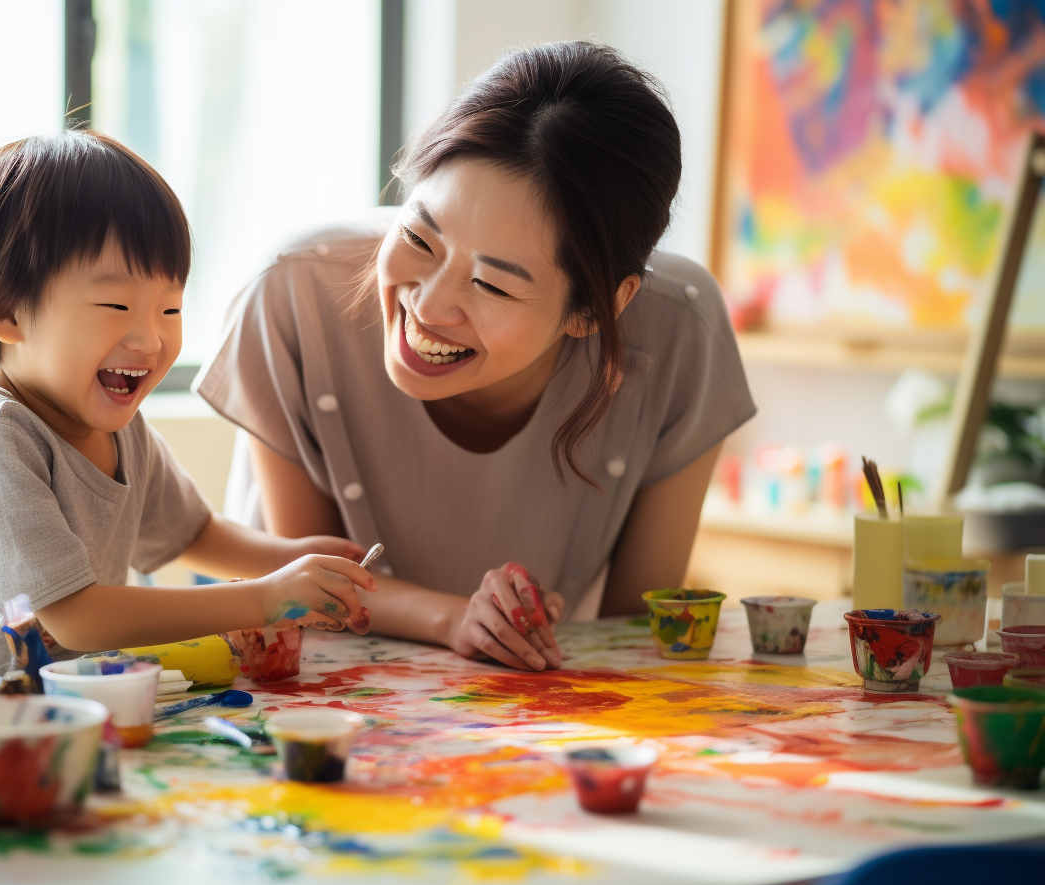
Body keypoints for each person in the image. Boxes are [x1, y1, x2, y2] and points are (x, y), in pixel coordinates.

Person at [197, 42, 755, 673]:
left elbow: (635, 638)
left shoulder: (679, 328)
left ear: (597, 310)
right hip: (312, 693)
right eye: (416, 237)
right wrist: (455, 617)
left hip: (520, 710)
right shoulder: (295, 292)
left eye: (493, 285)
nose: (430, 308)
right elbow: (315, 595)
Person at [0, 131, 375, 675]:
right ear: (7, 312)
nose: (151, 340)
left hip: (82, 702)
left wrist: (290, 558)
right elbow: (73, 616)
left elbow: (193, 533)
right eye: (116, 304)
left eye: (170, 310)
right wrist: (266, 596)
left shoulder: (117, 424)